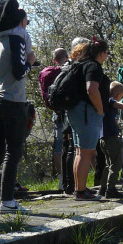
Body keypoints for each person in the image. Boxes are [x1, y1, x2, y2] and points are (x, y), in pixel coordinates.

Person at [0, 19, 32, 215]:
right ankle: (8, 200)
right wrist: (30, 62)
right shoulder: (17, 38)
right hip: (13, 100)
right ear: (21, 21)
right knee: (13, 152)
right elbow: (20, 72)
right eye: (27, 22)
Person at [66, 38, 111, 200]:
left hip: (74, 111)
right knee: (86, 153)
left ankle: (79, 189)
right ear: (101, 53)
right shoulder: (93, 66)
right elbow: (92, 89)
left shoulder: (79, 64)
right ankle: (81, 191)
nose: (107, 56)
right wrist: (100, 109)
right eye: (107, 53)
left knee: (80, 151)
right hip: (86, 112)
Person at [94, 81, 123, 199]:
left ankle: (103, 187)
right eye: (121, 95)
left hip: (103, 138)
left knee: (108, 164)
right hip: (111, 137)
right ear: (118, 94)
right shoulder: (111, 101)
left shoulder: (105, 101)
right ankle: (111, 189)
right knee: (116, 164)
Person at [39, 47, 69, 188]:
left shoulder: (47, 73)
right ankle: (72, 178)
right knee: (72, 146)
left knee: (58, 147)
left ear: (54, 60)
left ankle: (61, 179)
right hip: (67, 112)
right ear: (67, 57)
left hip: (56, 113)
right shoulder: (67, 70)